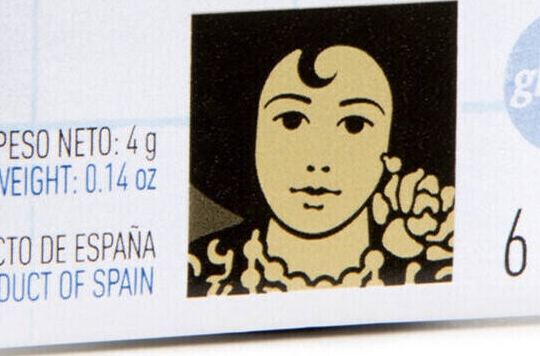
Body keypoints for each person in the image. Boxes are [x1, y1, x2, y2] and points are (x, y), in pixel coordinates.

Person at [188, 42, 454, 294]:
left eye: (354, 125)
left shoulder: (437, 266)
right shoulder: (198, 269)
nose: (318, 161)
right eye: (291, 120)